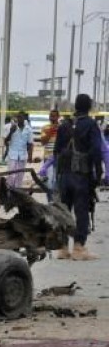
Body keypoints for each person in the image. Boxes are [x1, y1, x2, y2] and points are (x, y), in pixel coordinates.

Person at [54, 94, 104, 261]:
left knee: (64, 210)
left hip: (64, 176)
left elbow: (56, 151)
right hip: (81, 176)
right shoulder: (90, 125)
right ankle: (78, 247)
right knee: (82, 210)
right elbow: (97, 150)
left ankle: (62, 248)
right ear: (89, 107)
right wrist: (98, 173)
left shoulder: (64, 125)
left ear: (75, 106)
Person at [5, 111, 33, 188]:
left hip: (23, 155)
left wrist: (30, 156)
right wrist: (11, 132)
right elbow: (5, 141)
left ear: (24, 118)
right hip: (12, 154)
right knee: (11, 175)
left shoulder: (28, 129)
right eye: (18, 117)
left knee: (20, 175)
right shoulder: (12, 127)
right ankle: (9, 190)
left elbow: (30, 144)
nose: (19, 119)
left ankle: (17, 191)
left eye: (21, 117)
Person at [38, 109, 61, 202]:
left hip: (60, 158)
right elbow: (43, 142)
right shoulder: (45, 128)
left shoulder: (62, 127)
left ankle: (57, 202)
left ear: (58, 117)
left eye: (54, 116)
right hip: (48, 158)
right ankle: (50, 202)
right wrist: (51, 132)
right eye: (51, 116)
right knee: (49, 183)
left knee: (57, 182)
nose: (52, 118)